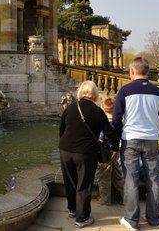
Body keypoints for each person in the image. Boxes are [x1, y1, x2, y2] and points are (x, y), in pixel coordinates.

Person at [112, 57, 159, 230]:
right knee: (153, 178)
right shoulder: (158, 92)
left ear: (132, 71)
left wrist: (121, 134)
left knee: (131, 179)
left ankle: (131, 219)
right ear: (148, 71)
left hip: (130, 139)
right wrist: (157, 133)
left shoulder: (125, 90)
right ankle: (154, 218)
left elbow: (116, 118)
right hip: (151, 139)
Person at [59, 81, 120, 228]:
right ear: (94, 93)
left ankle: (73, 209)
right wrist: (115, 148)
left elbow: (62, 130)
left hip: (65, 150)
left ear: (80, 92)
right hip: (85, 152)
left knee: (70, 182)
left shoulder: (70, 108)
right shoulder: (97, 111)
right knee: (84, 185)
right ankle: (82, 218)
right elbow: (109, 132)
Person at [96, 96, 124, 205]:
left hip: (105, 152)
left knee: (103, 175)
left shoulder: (104, 121)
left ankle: (105, 199)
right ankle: (126, 198)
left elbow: (101, 138)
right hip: (115, 150)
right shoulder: (117, 121)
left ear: (104, 108)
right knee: (117, 175)